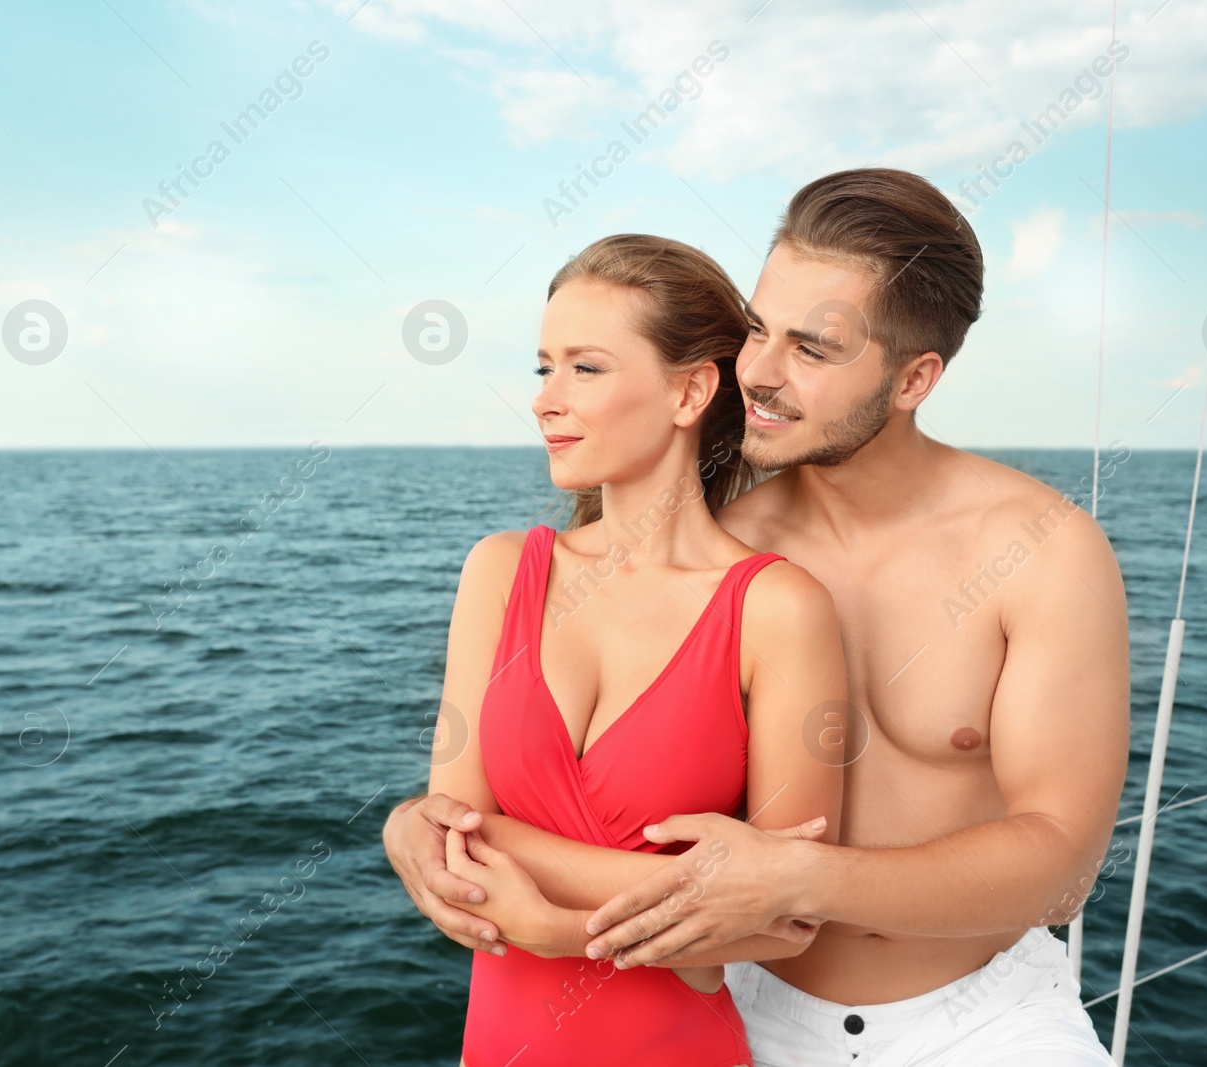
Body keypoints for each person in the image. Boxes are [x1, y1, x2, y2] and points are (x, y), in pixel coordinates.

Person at [388, 169, 1130, 1066]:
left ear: (914, 377)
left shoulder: (1043, 548)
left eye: (813, 349)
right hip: (742, 1007)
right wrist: (420, 822)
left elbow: (1063, 867)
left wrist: (802, 877)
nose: (763, 375)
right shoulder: (727, 550)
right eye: (758, 333)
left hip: (981, 1024)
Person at [396, 233, 847, 1067]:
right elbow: (453, 832)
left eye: (585, 368)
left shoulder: (777, 608)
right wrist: (706, 894)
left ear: (689, 391)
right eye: (543, 368)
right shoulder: (500, 572)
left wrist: (560, 928)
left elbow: (788, 919)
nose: (544, 400)